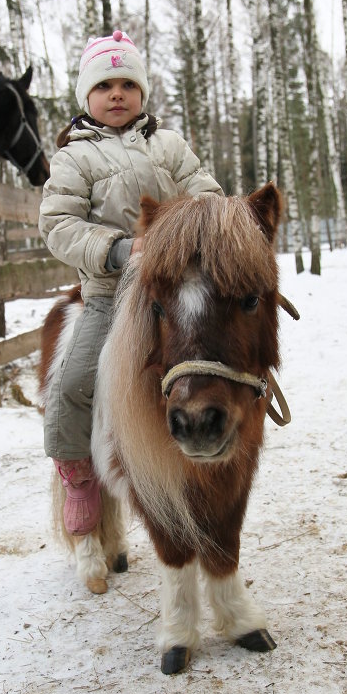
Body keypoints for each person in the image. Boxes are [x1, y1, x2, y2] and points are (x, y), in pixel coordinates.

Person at [39, 29, 224, 536]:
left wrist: (210, 230)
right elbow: (58, 225)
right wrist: (118, 249)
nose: (116, 94)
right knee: (74, 382)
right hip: (110, 295)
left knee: (225, 353)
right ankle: (77, 473)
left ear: (141, 92)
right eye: (104, 86)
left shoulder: (169, 144)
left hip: (174, 289)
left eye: (126, 83)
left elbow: (206, 194)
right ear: (87, 97)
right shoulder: (74, 158)